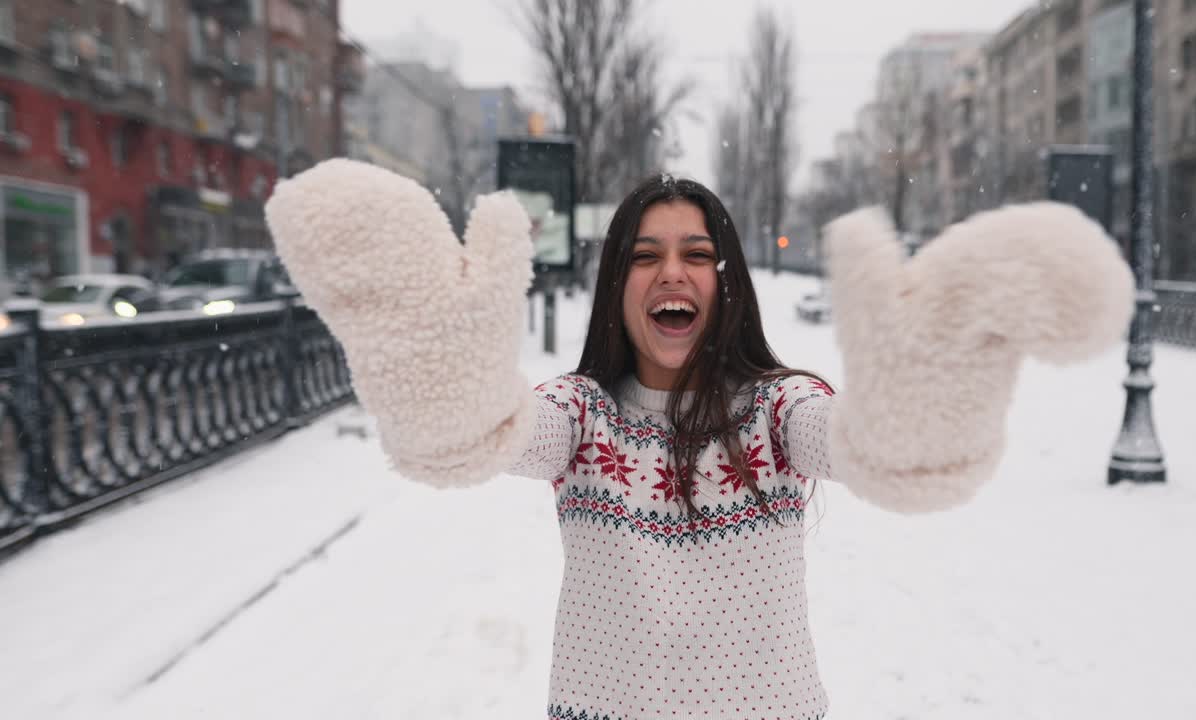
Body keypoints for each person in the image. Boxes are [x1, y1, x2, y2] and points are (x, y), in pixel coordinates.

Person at [265, 159, 1135, 720]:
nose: (671, 273)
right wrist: (436, 366)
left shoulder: (777, 409)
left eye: (695, 253)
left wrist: (933, 388)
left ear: (727, 282)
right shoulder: (580, 416)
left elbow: (869, 448)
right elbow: (485, 435)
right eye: (644, 256)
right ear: (617, 285)